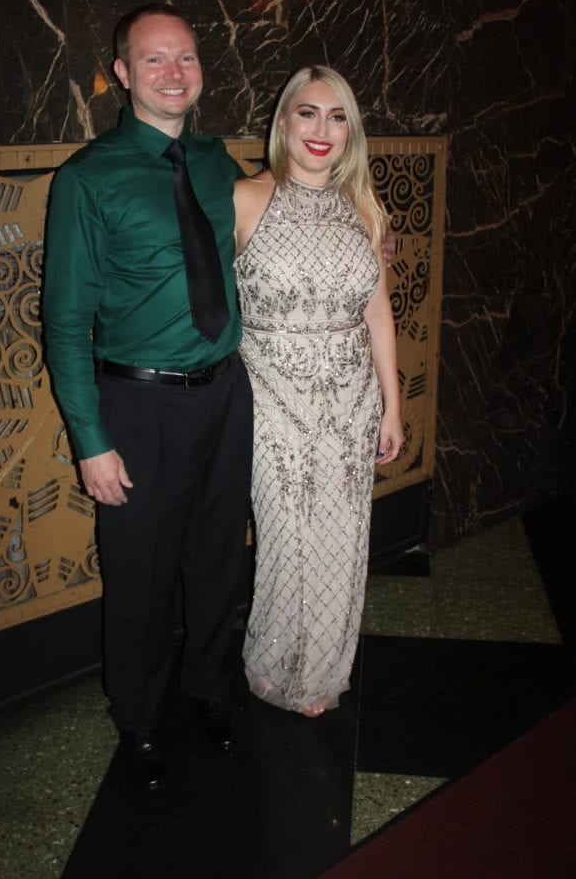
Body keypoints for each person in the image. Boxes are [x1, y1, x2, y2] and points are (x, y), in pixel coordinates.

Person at [42, 3, 254, 789]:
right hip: (137, 406)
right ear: (122, 74)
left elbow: (294, 215)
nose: (173, 73)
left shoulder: (220, 163)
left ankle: (208, 688)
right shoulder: (87, 178)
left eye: (186, 57)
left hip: (226, 395)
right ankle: (137, 719)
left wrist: (371, 234)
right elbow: (65, 322)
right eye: (154, 59)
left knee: (217, 561)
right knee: (139, 577)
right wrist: (90, 440)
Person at [234, 65, 403, 717]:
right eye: (308, 112)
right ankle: (274, 666)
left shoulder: (361, 206)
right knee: (287, 541)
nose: (321, 129)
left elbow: (378, 313)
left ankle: (324, 672)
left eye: (337, 118)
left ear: (350, 133)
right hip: (272, 404)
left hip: (352, 403)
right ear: (282, 122)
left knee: (342, 539)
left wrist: (392, 405)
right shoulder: (244, 198)